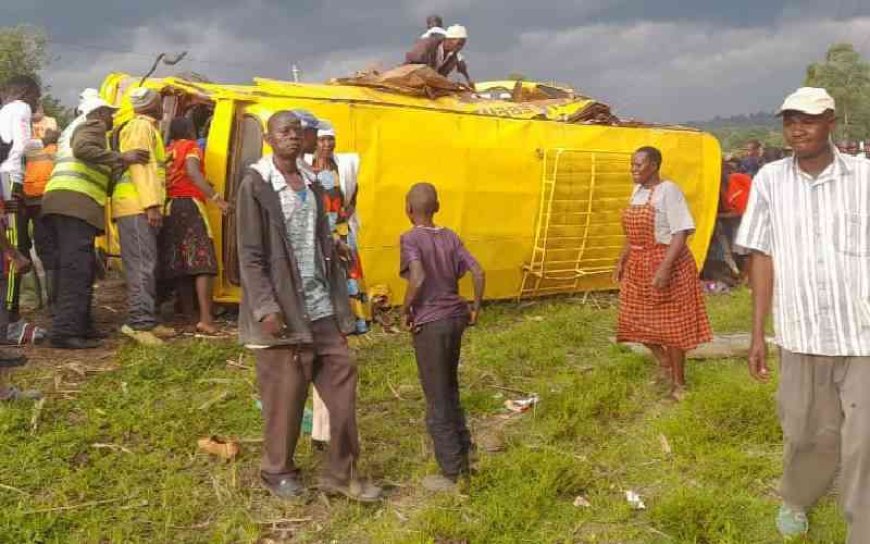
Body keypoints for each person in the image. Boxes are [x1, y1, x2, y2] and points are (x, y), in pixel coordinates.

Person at [736, 87, 870, 543]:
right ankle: (798, 498)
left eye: (809, 119)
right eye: (790, 120)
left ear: (831, 121)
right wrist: (759, 333)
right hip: (800, 330)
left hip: (862, 334)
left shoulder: (865, 177)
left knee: (864, 439)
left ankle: (862, 526)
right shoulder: (770, 180)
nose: (798, 128)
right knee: (806, 431)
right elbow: (762, 256)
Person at [236, 111, 381, 502]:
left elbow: (317, 237)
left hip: (321, 308)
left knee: (342, 386)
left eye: (297, 132)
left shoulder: (313, 185)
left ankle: (341, 472)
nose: (292, 137)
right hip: (283, 313)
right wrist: (265, 306)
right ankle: (277, 470)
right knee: (285, 397)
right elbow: (249, 255)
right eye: (284, 131)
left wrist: (331, 248)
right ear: (268, 138)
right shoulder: (256, 185)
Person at [41, 95, 150, 349]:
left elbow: (94, 167)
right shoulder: (93, 125)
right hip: (74, 204)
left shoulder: (78, 130)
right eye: (109, 113)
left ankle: (80, 326)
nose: (112, 118)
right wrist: (124, 157)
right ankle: (65, 332)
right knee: (77, 269)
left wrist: (116, 166)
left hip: (65, 204)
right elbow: (83, 150)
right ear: (99, 113)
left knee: (81, 267)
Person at [400, 182, 485, 492]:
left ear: (408, 209)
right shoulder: (451, 237)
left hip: (430, 324)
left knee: (436, 395)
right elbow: (478, 272)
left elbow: (418, 277)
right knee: (450, 385)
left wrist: (405, 309)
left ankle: (452, 473)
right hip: (456, 318)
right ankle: (465, 451)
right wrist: (475, 307)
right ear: (437, 207)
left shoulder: (410, 238)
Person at [614, 146, 712, 400]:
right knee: (633, 320)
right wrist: (622, 259)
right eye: (632, 165)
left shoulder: (669, 191)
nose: (633, 170)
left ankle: (679, 384)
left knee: (671, 327)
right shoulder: (636, 192)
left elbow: (681, 232)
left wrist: (665, 269)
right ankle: (664, 362)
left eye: (639, 165)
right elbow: (631, 234)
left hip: (666, 262)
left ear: (654, 166)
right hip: (638, 263)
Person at [307, 122, 368, 450]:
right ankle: (323, 426)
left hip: (340, 240)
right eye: (322, 139)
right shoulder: (306, 171)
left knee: (341, 304)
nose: (327, 144)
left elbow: (351, 200)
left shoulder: (343, 168)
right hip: (320, 245)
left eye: (331, 139)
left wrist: (345, 219)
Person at [113, 88, 173, 346]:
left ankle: (147, 320)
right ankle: (138, 324)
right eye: (160, 102)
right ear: (151, 105)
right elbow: (141, 169)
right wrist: (151, 205)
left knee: (148, 263)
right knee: (141, 266)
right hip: (135, 205)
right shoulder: (140, 127)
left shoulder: (148, 127)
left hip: (139, 204)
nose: (163, 106)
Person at [159, 118, 230, 335]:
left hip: (169, 207)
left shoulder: (167, 150)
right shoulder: (191, 147)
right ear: (190, 130)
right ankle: (207, 319)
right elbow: (192, 172)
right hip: (189, 205)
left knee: (181, 264)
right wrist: (217, 198)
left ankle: (191, 318)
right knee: (203, 263)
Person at [0, 75, 43, 345]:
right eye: (36, 95)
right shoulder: (22, 108)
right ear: (27, 92)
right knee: (13, 250)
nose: (37, 101)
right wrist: (48, 139)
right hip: (10, 177)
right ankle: (10, 321)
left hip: (4, 176)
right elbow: (22, 145)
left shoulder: (4, 110)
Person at [21, 128, 59, 300]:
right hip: (32, 199)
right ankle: (41, 299)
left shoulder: (44, 143)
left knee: (45, 247)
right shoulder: (45, 142)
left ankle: (47, 299)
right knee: (41, 247)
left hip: (37, 199)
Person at [405, 24, 474, 88]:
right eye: (459, 43)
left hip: (428, 84)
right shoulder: (427, 44)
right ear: (449, 39)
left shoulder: (453, 57)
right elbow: (413, 65)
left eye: (462, 44)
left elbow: (442, 75)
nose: (461, 47)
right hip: (408, 78)